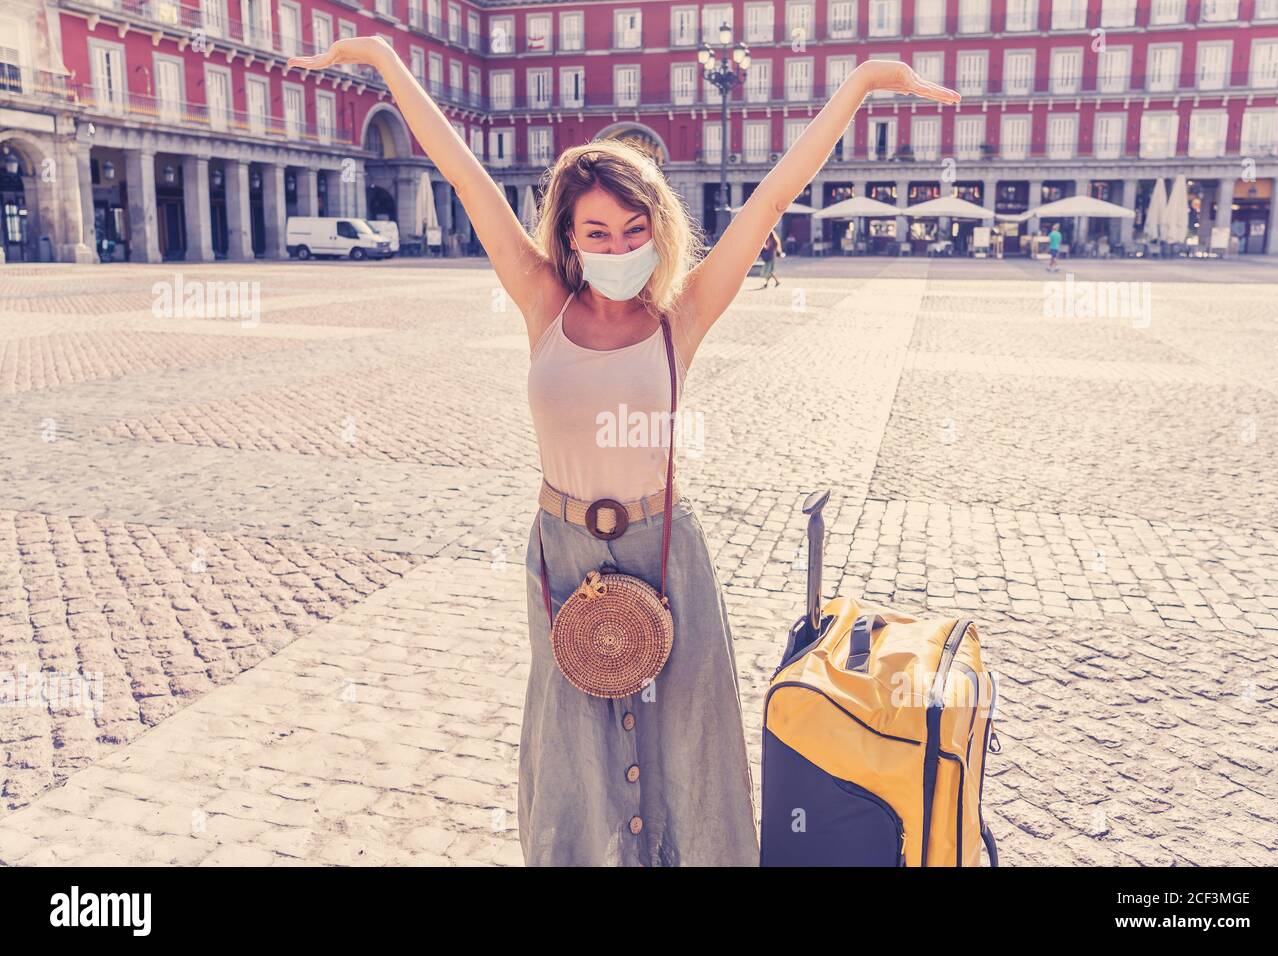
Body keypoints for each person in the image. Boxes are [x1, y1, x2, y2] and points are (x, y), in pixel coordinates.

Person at [290, 39, 959, 867]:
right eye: (596, 232)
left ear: (657, 230)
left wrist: (863, 84)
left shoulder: (683, 314)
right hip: (562, 555)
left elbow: (776, 192)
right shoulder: (542, 301)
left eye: (633, 229)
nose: (616, 247)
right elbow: (465, 175)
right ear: (569, 238)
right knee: (573, 755)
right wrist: (386, 61)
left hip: (663, 550)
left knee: (691, 754)